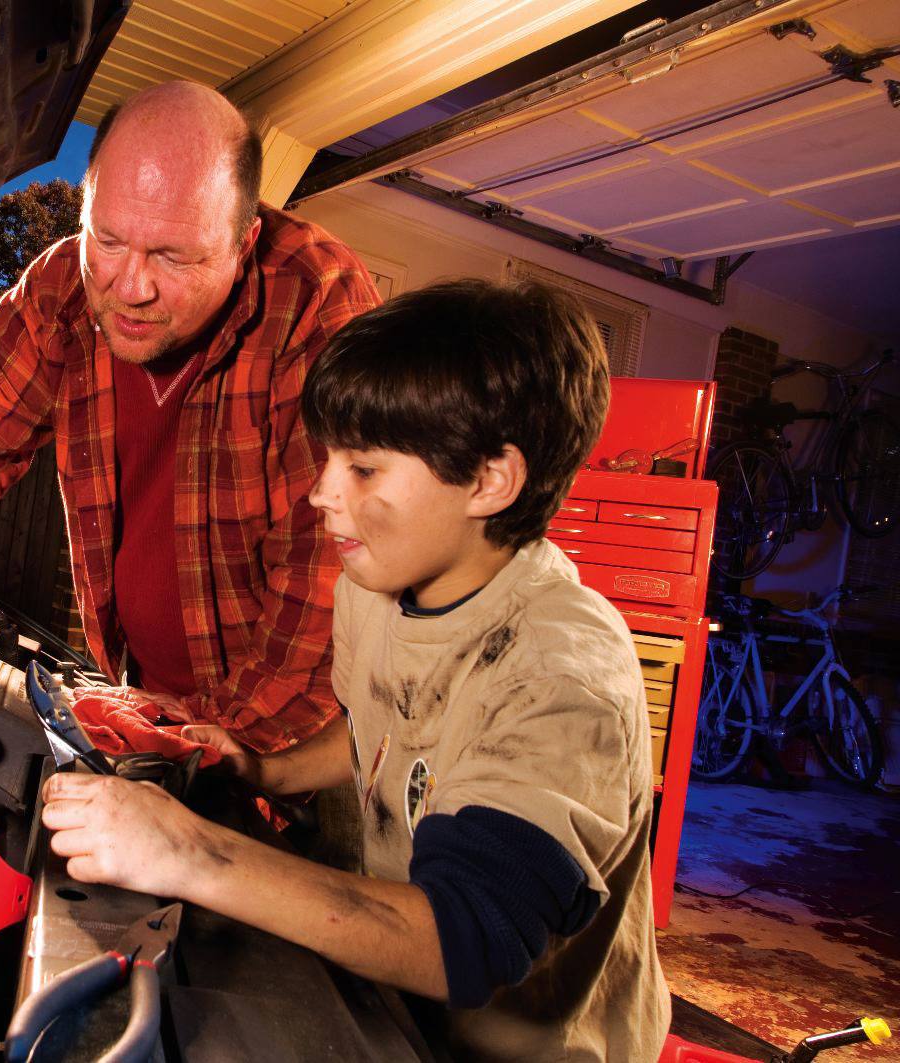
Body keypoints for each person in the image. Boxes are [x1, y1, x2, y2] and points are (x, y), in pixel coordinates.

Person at [41, 279, 670, 1061]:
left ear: (489, 480)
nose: (320, 494)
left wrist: (192, 851)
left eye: (364, 468)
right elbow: (383, 722)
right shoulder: (381, 589)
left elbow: (467, 936)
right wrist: (264, 771)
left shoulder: (560, 674)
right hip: (403, 1016)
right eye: (328, 458)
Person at [0, 81, 379, 752]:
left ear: (244, 241)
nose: (130, 287)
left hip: (298, 751)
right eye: (108, 240)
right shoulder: (63, 288)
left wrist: (182, 761)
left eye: (173, 256)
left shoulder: (319, 308)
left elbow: (324, 610)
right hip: (140, 696)